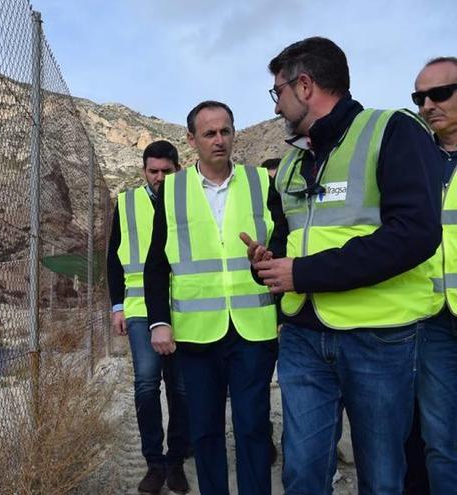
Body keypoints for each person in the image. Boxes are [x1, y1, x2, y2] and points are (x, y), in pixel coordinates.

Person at [246, 37, 442, 494]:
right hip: (301, 336)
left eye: (278, 92)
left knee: (380, 477)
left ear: (306, 85)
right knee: (302, 473)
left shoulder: (393, 131)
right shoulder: (294, 159)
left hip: (379, 338)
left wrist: (304, 273)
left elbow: (415, 234)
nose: (276, 106)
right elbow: (288, 233)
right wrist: (269, 261)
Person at [144, 101, 280, 495]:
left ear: (234, 133)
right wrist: (159, 321)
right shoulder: (172, 190)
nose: (219, 140)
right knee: (204, 430)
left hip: (252, 330)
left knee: (254, 426)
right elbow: (157, 264)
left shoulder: (260, 183)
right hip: (197, 334)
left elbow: (282, 243)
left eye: (226, 131)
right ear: (192, 140)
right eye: (209, 133)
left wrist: (268, 259)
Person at [107, 140, 190, 494]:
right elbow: (113, 258)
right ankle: (154, 462)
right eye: (153, 171)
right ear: (144, 171)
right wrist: (117, 306)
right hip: (140, 308)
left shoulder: (188, 200)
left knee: (181, 388)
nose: (159, 177)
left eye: (165, 171)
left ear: (177, 169)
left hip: (183, 307)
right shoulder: (126, 203)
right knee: (145, 384)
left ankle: (176, 461)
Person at [411, 55, 457, 495]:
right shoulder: (412, 160)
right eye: (420, 97)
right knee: (441, 442)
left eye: (439, 93)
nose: (427, 105)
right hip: (432, 320)